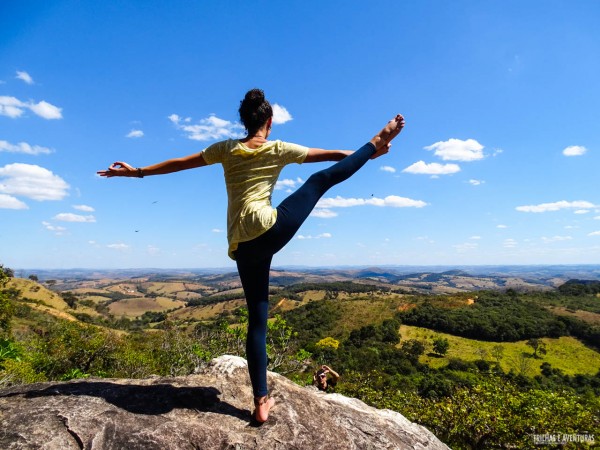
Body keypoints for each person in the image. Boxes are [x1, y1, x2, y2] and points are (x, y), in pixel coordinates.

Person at [98, 88, 405, 423]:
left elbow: (179, 164)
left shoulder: (225, 149)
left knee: (257, 319)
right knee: (319, 181)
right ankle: (377, 138)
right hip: (269, 229)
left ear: (244, 121)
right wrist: (371, 150)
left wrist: (136, 172)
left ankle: (261, 401)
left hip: (241, 245)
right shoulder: (278, 148)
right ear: (269, 122)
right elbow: (333, 157)